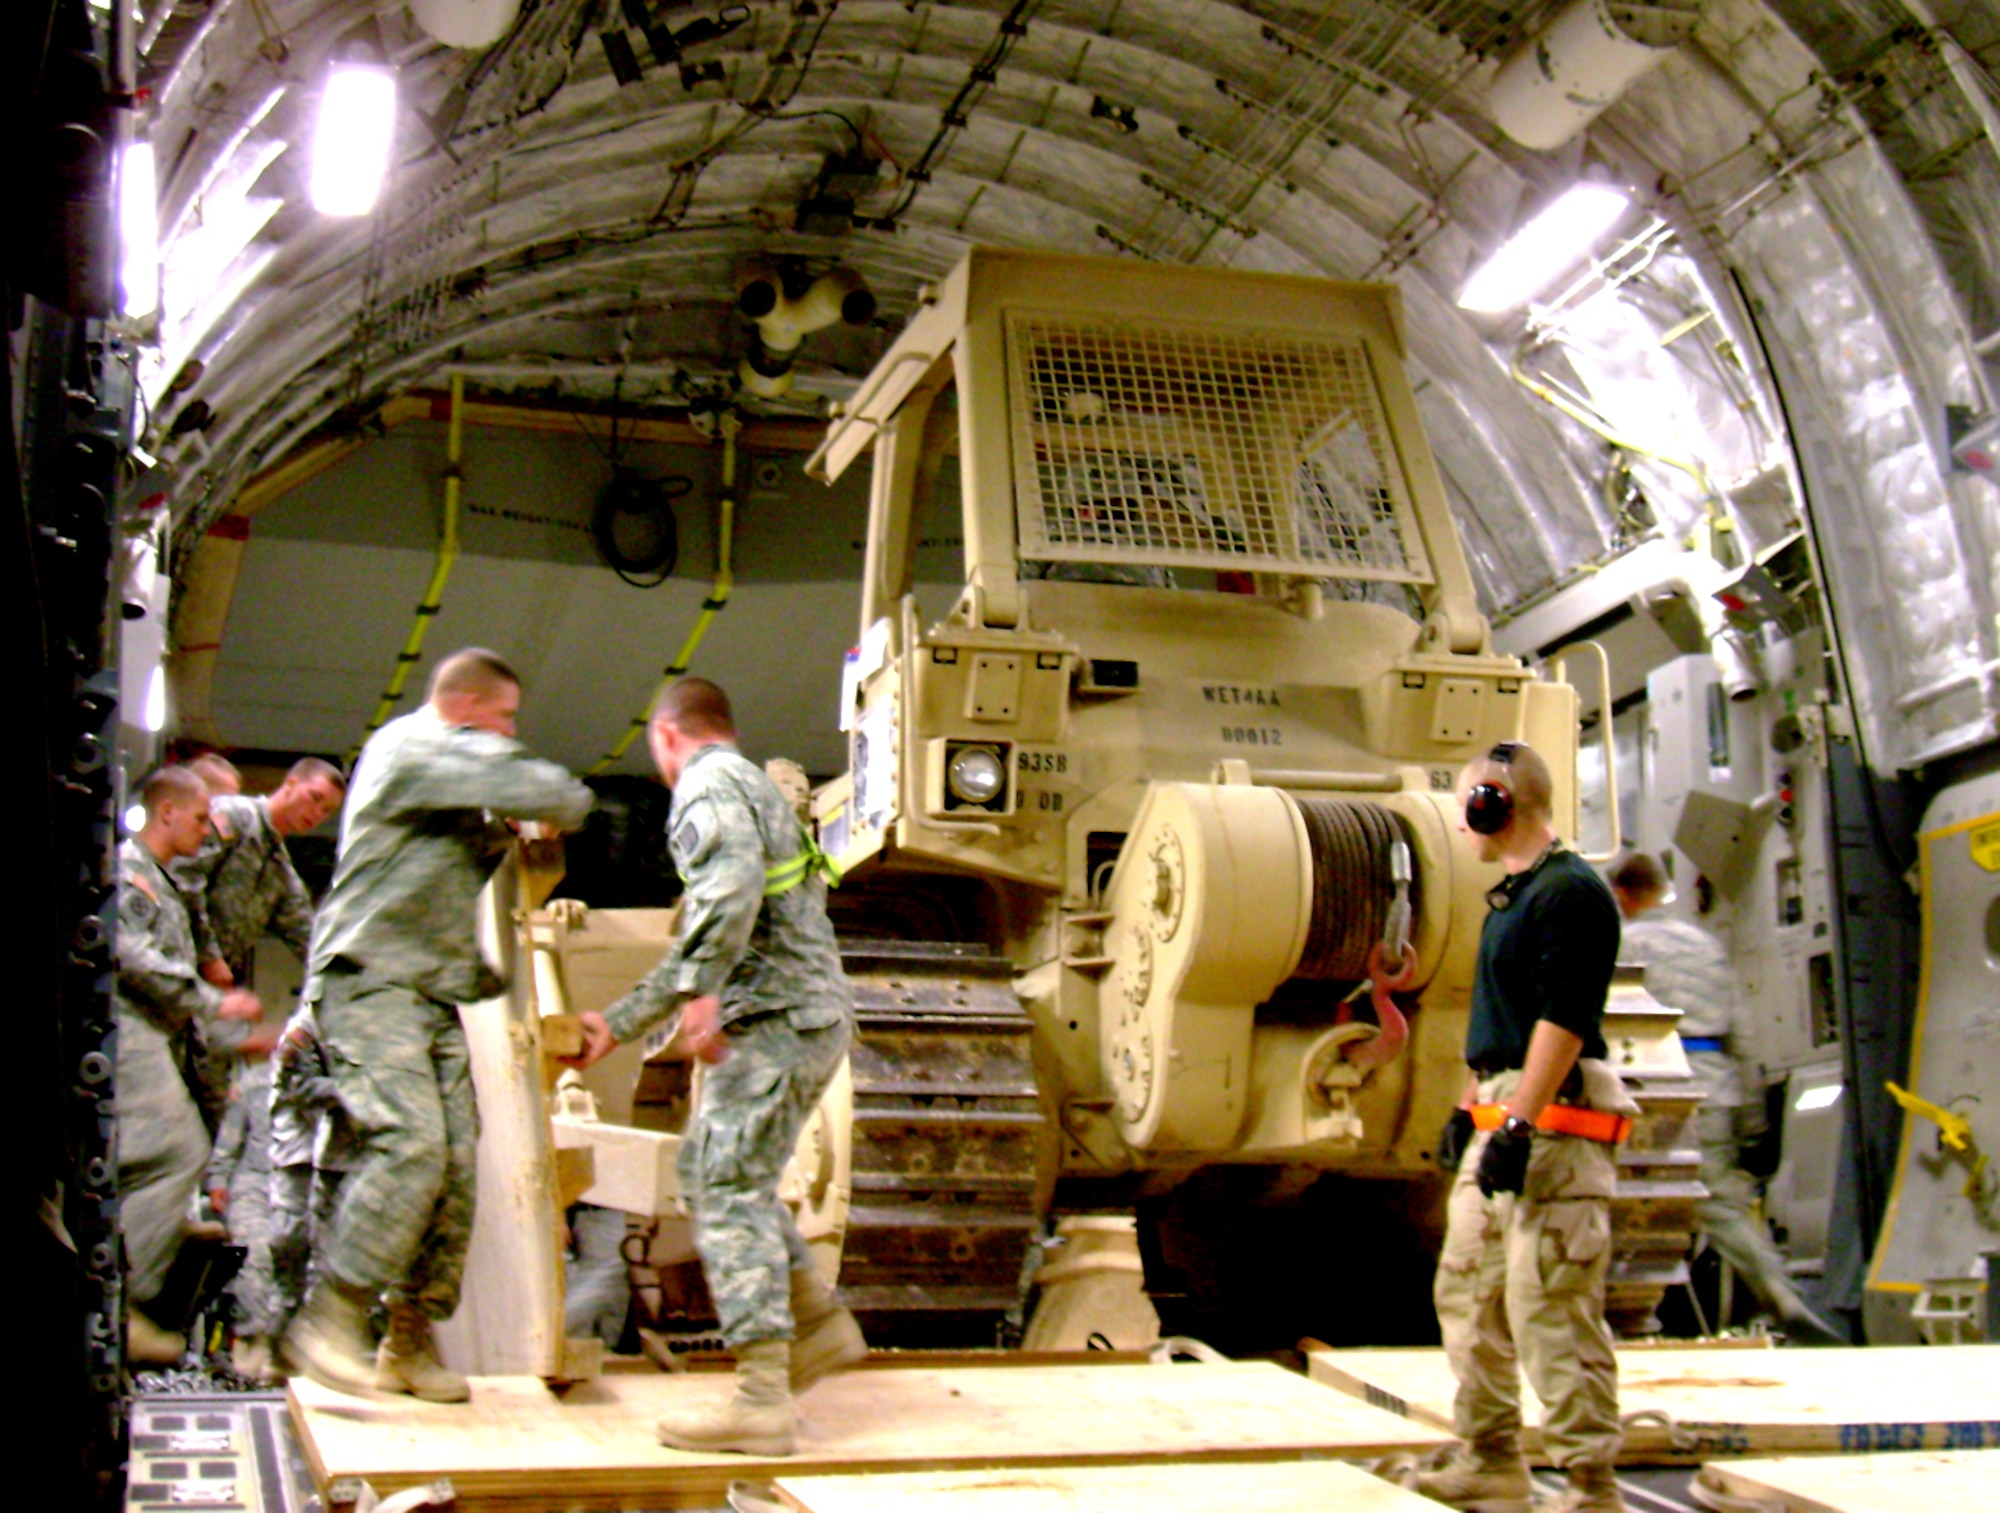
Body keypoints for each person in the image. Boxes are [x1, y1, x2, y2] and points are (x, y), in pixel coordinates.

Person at [283, 648, 593, 1402]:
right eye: (504, 716)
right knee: (412, 1144)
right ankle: (331, 1316)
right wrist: (551, 796)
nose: (510, 731)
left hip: (430, 995)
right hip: (370, 981)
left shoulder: (452, 782)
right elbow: (551, 791)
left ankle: (408, 1343)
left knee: (456, 1171)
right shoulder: (412, 745)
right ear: (465, 705)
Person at [570, 676, 860, 1457]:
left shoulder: (705, 787)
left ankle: (762, 1397)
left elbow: (725, 897)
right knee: (720, 1175)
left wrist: (700, 994)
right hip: (802, 1016)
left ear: (667, 735)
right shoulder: (751, 786)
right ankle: (816, 1325)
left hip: (771, 1021)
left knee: (721, 1184)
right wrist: (619, 1024)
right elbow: (716, 919)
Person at [1421, 742, 1633, 1513]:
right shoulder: (1513, 898)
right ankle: (1491, 1456)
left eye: (1467, 801)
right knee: (1470, 1290)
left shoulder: (1569, 893)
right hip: (1506, 1110)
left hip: (1554, 1125)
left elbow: (1563, 1020)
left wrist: (1518, 1124)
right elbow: (1503, 1027)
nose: (1461, 818)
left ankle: (1589, 1483)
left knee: (1548, 1298)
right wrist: (1470, 1106)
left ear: (1496, 803)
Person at [1608, 854, 1842, 1344]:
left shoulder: (1623, 944)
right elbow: (1744, 1034)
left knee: (1621, 1202)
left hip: (1649, 1083)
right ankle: (1778, 1292)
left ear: (1624, 895)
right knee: (1721, 1204)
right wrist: (1752, 1118)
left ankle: (1622, 1319)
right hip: (1714, 1083)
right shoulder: (1706, 946)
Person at [115, 766, 265, 1363]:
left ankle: (147, 1265)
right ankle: (123, 1303)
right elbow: (130, 954)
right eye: (202, 818)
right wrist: (214, 1001)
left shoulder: (168, 886)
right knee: (176, 1152)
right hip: (129, 1037)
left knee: (170, 1159)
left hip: (158, 1039)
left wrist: (231, 1031)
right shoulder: (132, 874)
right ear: (168, 812)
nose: (209, 830)